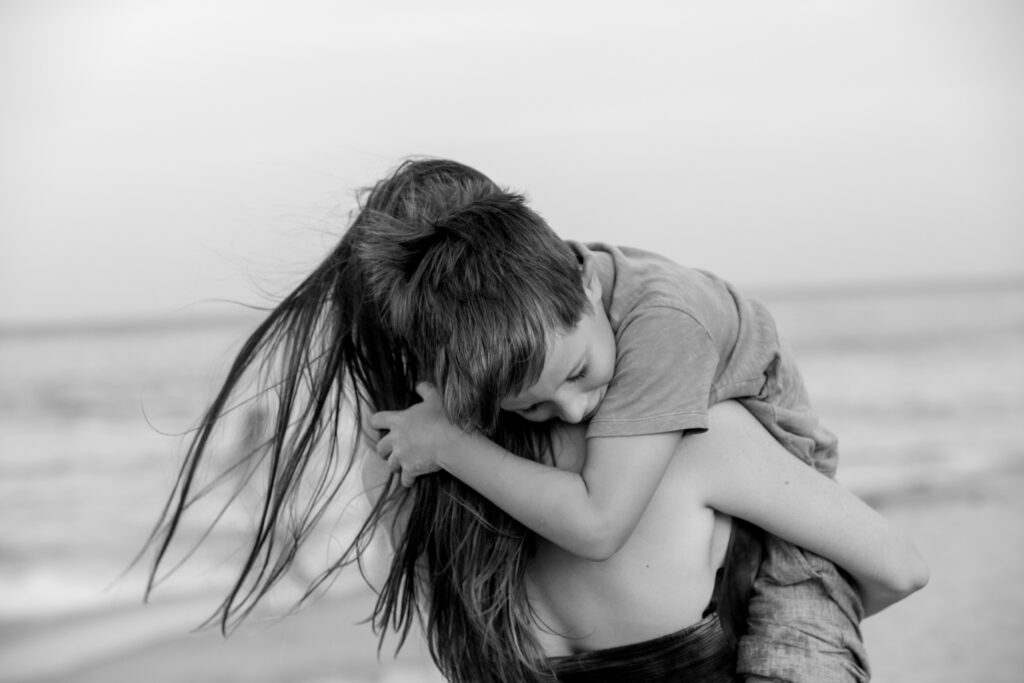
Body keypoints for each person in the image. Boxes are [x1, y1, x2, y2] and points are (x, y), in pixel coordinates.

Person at [144, 158, 927, 682]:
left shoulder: (420, 494)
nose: (578, 406)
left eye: (579, 376)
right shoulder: (704, 440)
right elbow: (898, 565)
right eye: (538, 398)